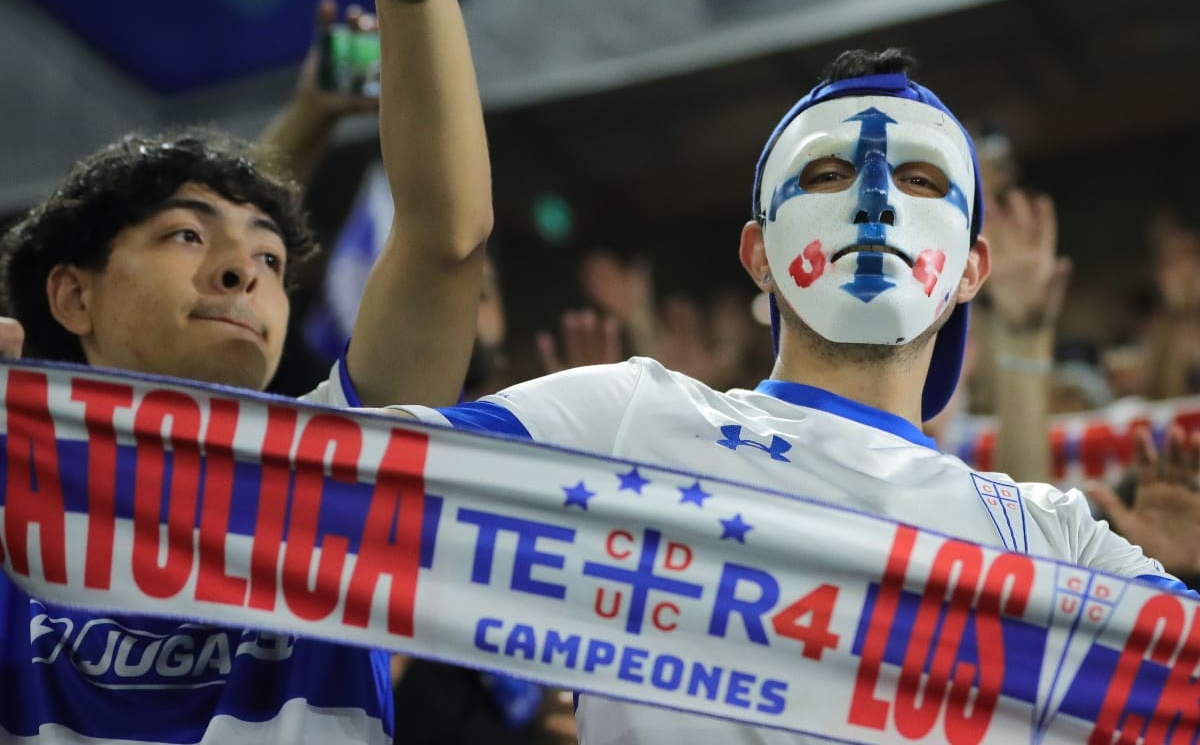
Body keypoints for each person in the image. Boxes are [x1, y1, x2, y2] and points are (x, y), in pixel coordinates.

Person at [391, 48, 1198, 743]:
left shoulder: (1054, 538)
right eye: (828, 173)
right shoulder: (628, 419)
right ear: (760, 254)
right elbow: (331, 481)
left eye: (920, 178)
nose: (875, 198)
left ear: (970, 271)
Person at [0, 0, 490, 741]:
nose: (245, 276)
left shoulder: (344, 467)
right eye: (185, 236)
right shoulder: (8, 485)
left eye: (272, 260)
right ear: (73, 294)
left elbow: (446, 238)